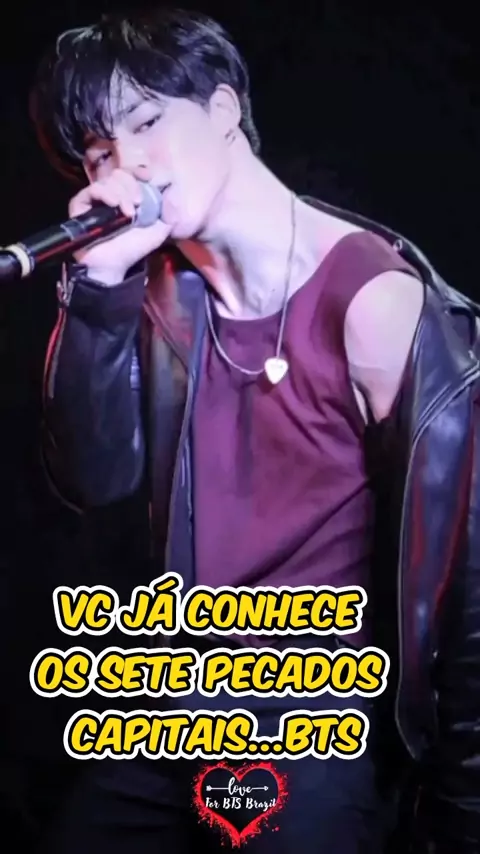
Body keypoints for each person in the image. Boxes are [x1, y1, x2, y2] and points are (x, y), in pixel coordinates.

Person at [29, 7, 480, 853]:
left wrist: (463, 805)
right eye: (98, 152)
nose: (126, 164)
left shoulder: (373, 302)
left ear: (225, 110)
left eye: (147, 122)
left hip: (317, 719)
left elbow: (464, 584)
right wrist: (97, 285)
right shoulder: (155, 293)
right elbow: (93, 477)